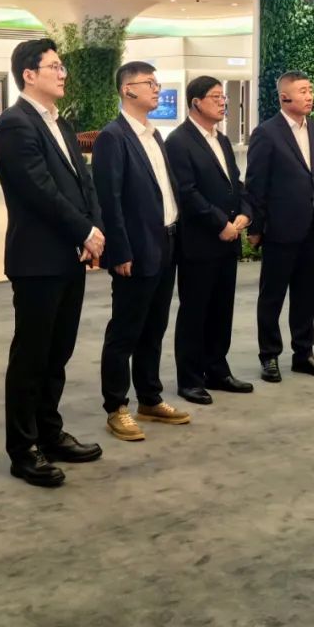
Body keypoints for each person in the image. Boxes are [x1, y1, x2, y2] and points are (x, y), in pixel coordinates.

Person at [0, 38, 105, 487]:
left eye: (62, 67)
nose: (62, 73)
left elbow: (84, 183)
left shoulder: (60, 122)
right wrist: (84, 231)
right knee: (32, 356)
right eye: (54, 66)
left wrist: (93, 230)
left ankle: (49, 432)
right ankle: (23, 449)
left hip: (70, 255)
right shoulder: (15, 124)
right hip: (37, 258)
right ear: (29, 74)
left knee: (58, 352)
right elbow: (39, 191)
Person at [93, 62, 191, 441]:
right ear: (127, 90)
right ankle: (116, 407)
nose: (156, 89)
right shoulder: (112, 137)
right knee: (125, 331)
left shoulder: (154, 134)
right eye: (149, 83)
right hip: (135, 249)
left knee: (155, 327)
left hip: (166, 242)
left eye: (156, 82)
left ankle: (150, 398)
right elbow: (110, 200)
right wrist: (119, 251)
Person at [165, 76, 254, 405]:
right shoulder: (179, 141)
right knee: (195, 311)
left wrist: (244, 214)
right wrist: (220, 223)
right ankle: (189, 379)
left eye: (223, 97)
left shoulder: (222, 140)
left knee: (221, 309)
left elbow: (236, 183)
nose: (222, 102)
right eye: (215, 97)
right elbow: (186, 192)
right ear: (196, 102)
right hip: (200, 242)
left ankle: (217, 369)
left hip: (228, 239)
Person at [246, 70, 314, 383]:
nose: (309, 96)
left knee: (307, 294)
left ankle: (304, 353)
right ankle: (269, 355)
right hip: (280, 228)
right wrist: (255, 227)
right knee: (272, 295)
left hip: (313, 226)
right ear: (284, 97)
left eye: (310, 90)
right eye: (302, 91)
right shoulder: (266, 133)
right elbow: (256, 184)